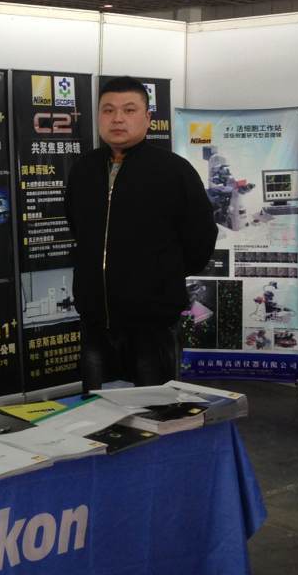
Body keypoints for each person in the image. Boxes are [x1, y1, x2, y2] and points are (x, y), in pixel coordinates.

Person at [63, 77, 217, 389]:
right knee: (97, 409)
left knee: (154, 408)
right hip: (95, 321)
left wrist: (162, 275)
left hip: (152, 322)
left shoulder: (174, 171)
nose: (117, 119)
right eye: (108, 110)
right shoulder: (83, 170)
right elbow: (77, 226)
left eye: (129, 110)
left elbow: (201, 238)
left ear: (147, 118)